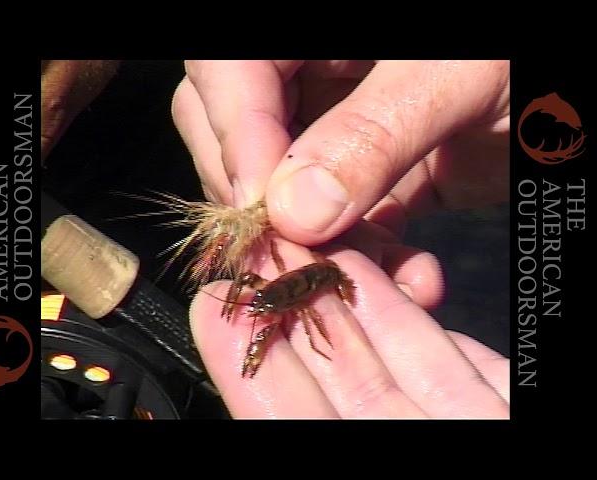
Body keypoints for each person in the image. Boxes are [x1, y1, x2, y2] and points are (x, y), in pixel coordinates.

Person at [42, 60, 510, 419]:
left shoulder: (305, 296)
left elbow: (310, 322)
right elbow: (253, 286)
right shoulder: (267, 294)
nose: (259, 312)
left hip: (320, 276)